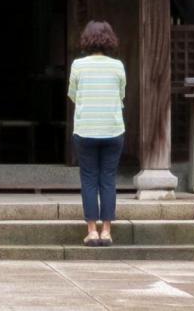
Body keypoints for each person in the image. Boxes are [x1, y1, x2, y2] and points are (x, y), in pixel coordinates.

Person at [67, 20, 126, 246]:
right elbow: (121, 94)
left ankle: (92, 230)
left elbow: (72, 94)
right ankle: (107, 231)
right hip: (112, 129)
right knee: (108, 180)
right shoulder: (117, 66)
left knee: (89, 180)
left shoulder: (78, 65)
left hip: (86, 129)